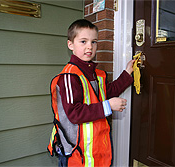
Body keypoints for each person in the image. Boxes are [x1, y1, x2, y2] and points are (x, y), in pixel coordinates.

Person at [47, 19, 135, 167]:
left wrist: (127, 73)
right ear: (70, 45)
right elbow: (75, 113)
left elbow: (108, 92)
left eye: (94, 42)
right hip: (76, 151)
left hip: (97, 146)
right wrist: (107, 105)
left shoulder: (97, 74)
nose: (89, 47)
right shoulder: (69, 76)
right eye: (83, 41)